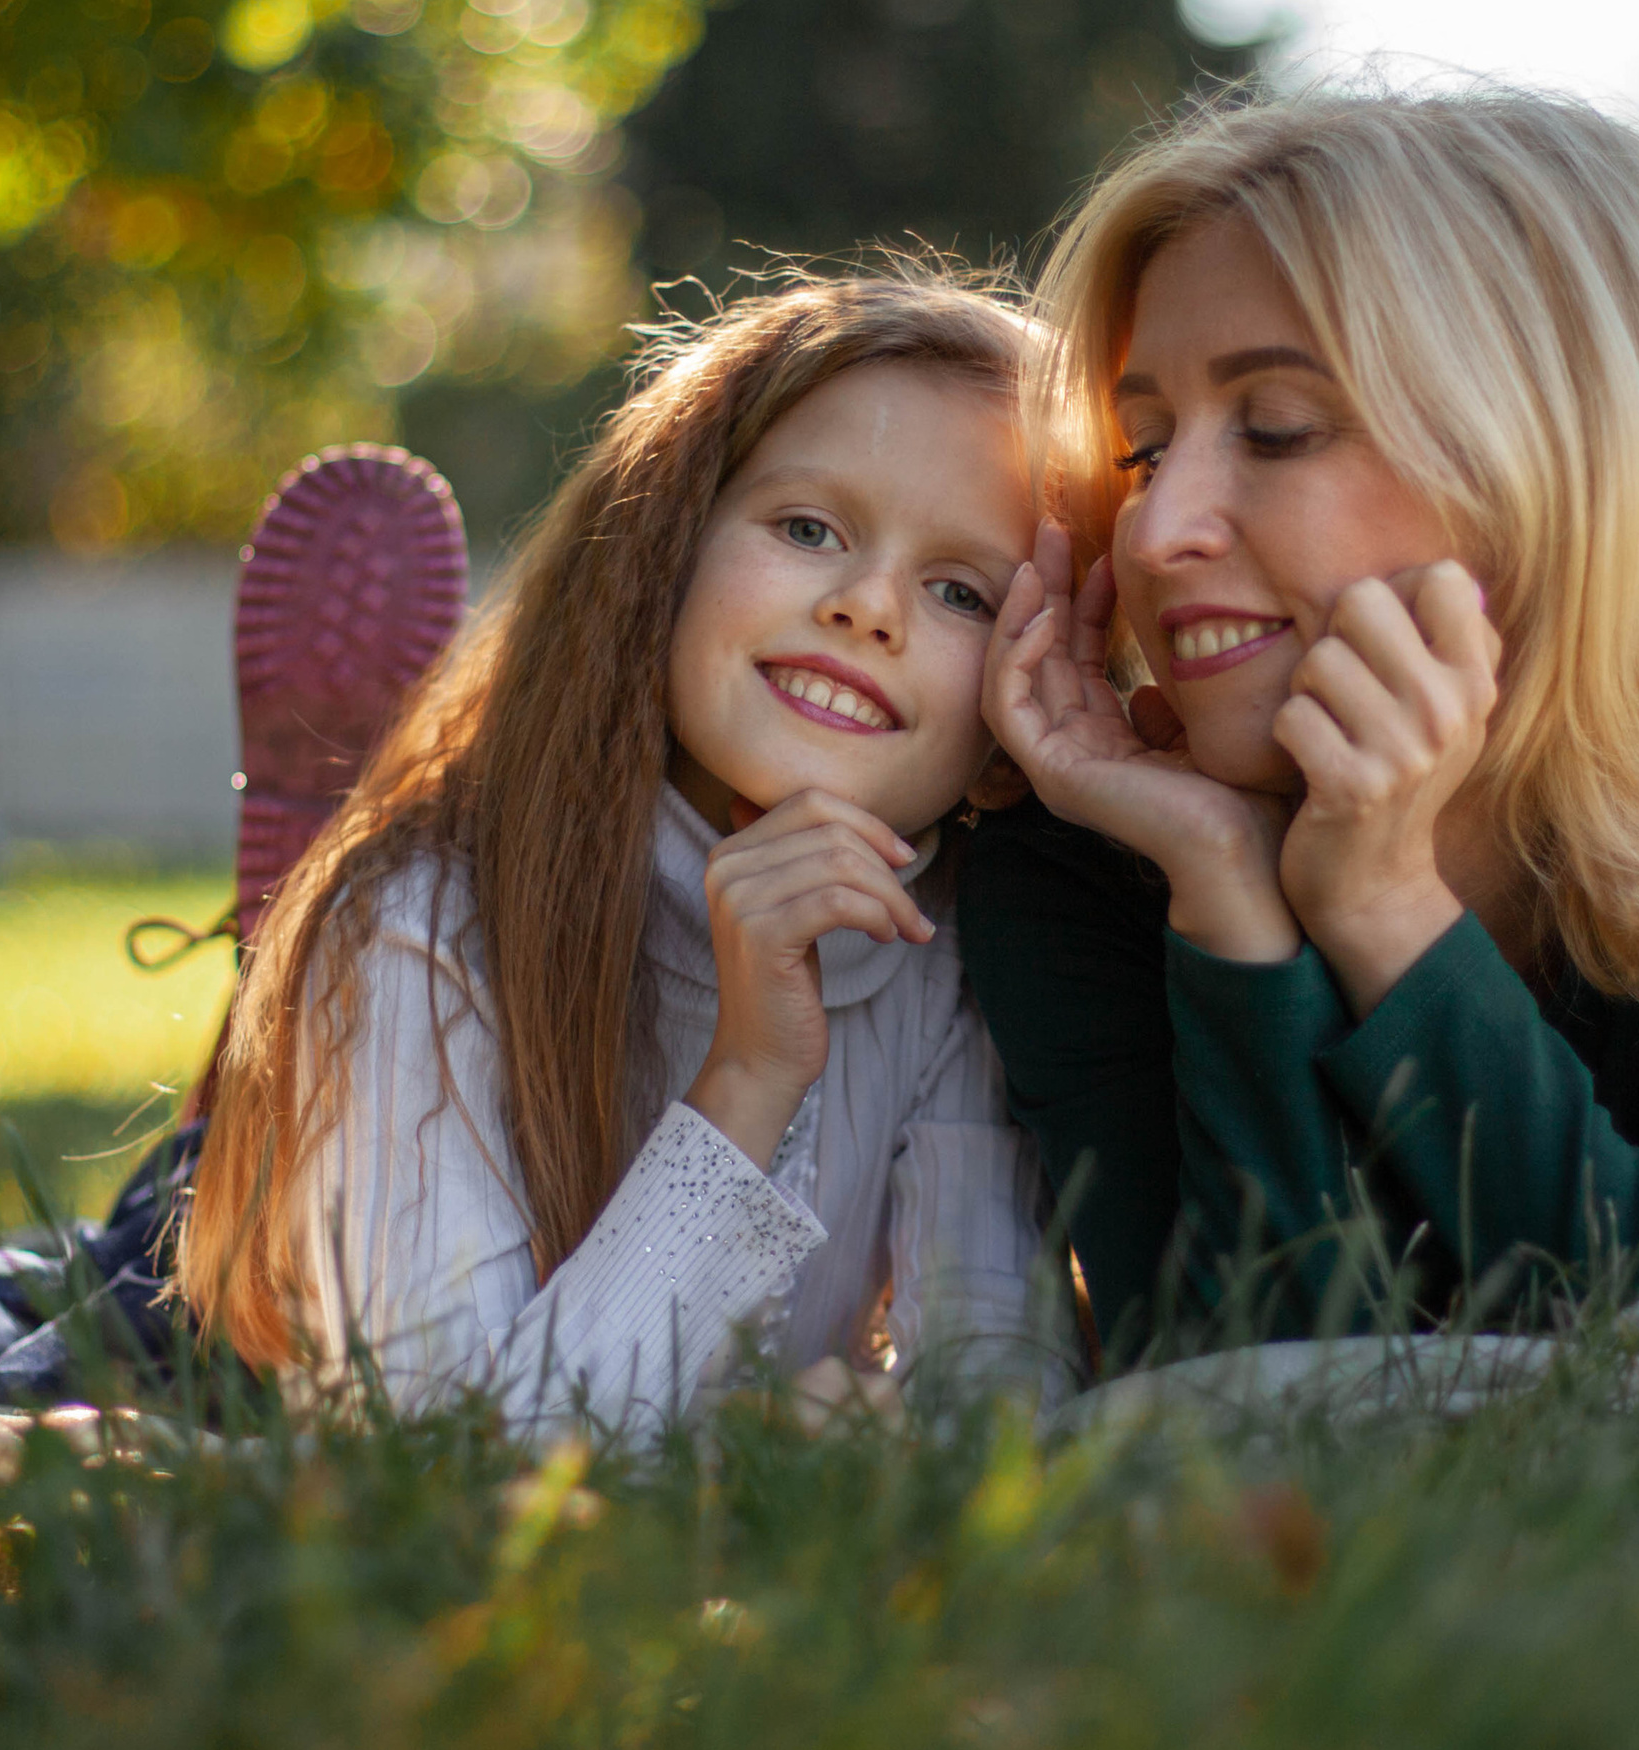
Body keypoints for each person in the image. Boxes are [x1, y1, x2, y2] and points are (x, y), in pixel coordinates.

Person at [961, 83, 1639, 1351]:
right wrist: (1226, 895)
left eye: (1277, 428)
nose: (1157, 531)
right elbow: (1239, 1397)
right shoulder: (1080, 852)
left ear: (1559, 464)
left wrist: (1384, 908)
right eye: (1145, 448)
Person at [176, 274, 1058, 1435]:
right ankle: (282, 929)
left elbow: (997, 1406)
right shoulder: (422, 924)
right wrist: (748, 1073)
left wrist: (863, 1439)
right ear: (662, 558)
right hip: (243, 1334)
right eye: (807, 529)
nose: (869, 604)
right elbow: (445, 1464)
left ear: (1011, 730)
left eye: (960, 592)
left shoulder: (953, 954)